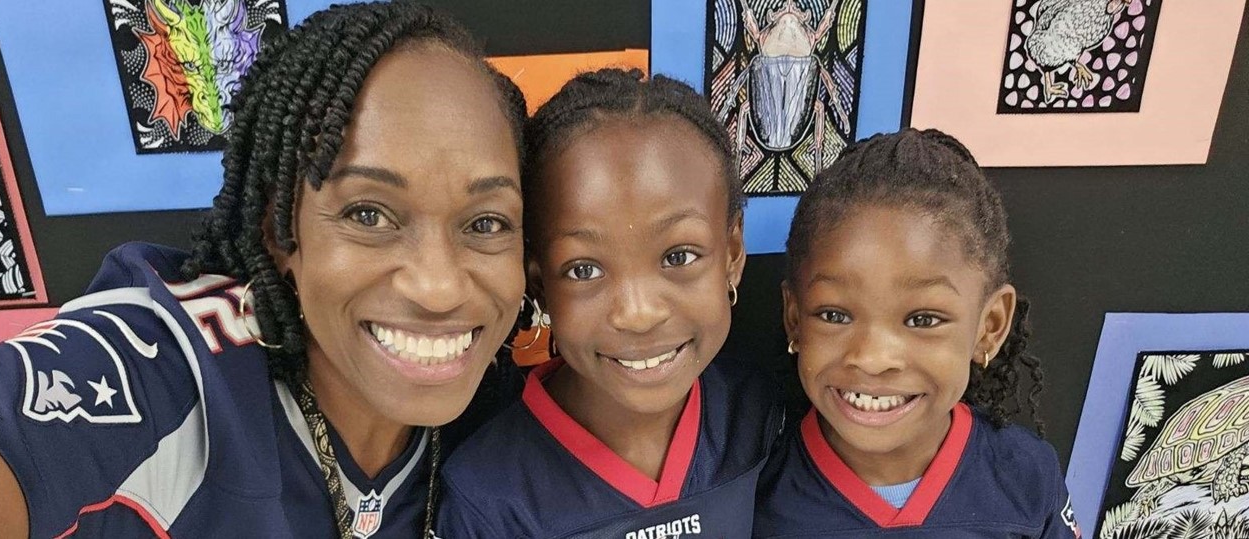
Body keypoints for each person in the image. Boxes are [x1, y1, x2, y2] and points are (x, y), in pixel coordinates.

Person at [0, 2, 528, 537]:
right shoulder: (175, 368)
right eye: (368, 214)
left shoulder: (506, 418)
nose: (437, 287)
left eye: (485, 224)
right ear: (279, 233)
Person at [434, 68, 782, 538]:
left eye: (678, 256)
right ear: (539, 285)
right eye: (584, 270)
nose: (637, 314)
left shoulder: (760, 418)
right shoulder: (490, 495)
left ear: (733, 255)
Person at [754, 128, 1080, 538]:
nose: (872, 357)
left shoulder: (1026, 478)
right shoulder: (755, 490)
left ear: (990, 327)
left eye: (923, 320)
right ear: (794, 319)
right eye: (835, 315)